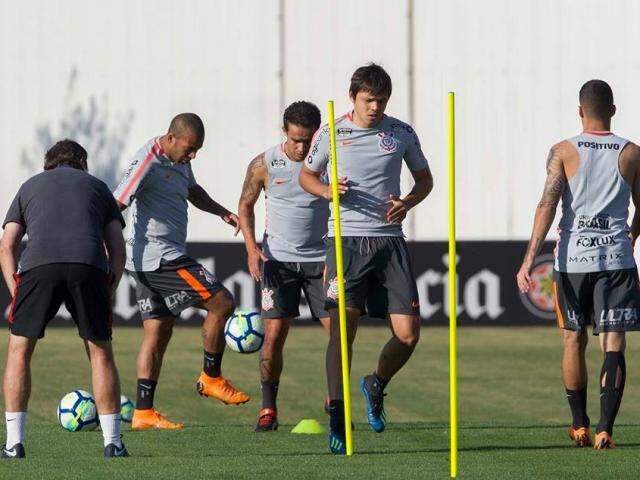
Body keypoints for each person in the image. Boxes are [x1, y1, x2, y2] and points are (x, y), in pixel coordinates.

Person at [299, 63, 433, 454]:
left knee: (408, 334)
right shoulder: (331, 133)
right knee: (343, 334)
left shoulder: (401, 133)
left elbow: (425, 180)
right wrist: (326, 190)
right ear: (353, 97)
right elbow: (306, 177)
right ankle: (338, 417)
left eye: (381, 100)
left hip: (390, 242)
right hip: (345, 242)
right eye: (368, 99)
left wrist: (407, 202)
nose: (374, 107)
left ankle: (375, 383)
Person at [517, 80, 640, 449]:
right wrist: (630, 237)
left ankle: (579, 424)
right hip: (616, 260)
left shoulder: (562, 151)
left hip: (572, 261)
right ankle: (605, 429)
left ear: (580, 111)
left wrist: (527, 260)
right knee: (613, 344)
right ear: (613, 110)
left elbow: (547, 205)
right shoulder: (632, 153)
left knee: (573, 339)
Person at [114, 113, 248, 431]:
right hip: (160, 258)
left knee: (158, 332)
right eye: (189, 149)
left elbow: (193, 190)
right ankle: (211, 377)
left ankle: (144, 413)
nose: (192, 156)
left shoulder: (178, 160)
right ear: (171, 138)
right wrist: (98, 240)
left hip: (147, 261)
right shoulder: (148, 160)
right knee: (222, 302)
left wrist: (223, 213)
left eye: (197, 150)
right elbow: (117, 201)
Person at [0, 140, 128, 458]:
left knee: (19, 351)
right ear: (82, 163)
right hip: (88, 265)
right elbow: (117, 248)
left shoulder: (29, 186)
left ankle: (14, 444)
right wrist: (108, 286)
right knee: (100, 353)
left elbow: (7, 245)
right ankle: (112, 443)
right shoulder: (98, 188)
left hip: (38, 267)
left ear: (48, 163)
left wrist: (15, 288)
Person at [238, 101, 330, 432]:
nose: (302, 147)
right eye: (296, 139)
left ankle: (334, 397)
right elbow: (245, 205)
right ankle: (268, 409)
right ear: (284, 132)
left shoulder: (330, 161)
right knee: (274, 335)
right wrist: (251, 248)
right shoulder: (264, 164)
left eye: (308, 140)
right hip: (278, 261)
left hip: (321, 262)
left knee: (339, 333)